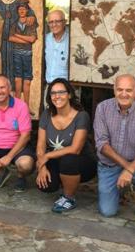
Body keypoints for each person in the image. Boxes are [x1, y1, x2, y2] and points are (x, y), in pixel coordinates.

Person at [94, 74, 135, 237]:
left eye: (129, 90)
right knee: (107, 212)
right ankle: (120, 190)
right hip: (110, 165)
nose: (124, 94)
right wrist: (127, 168)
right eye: (120, 89)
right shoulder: (102, 108)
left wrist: (130, 169)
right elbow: (102, 144)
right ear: (114, 90)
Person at [36, 78, 97, 213]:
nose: (57, 96)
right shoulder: (47, 114)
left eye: (61, 92)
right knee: (46, 186)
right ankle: (66, 181)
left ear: (69, 94)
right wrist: (42, 166)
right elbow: (40, 145)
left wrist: (47, 155)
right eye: (53, 93)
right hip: (57, 161)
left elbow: (76, 149)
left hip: (82, 162)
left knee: (69, 158)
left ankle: (69, 197)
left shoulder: (81, 116)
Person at [8, 0, 37, 110]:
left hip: (27, 54)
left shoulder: (31, 24)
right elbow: (10, 38)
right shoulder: (14, 24)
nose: (21, 11)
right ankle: (17, 105)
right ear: (17, 11)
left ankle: (27, 106)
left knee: (27, 80)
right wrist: (27, 40)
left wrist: (18, 36)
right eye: (19, 9)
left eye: (23, 9)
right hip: (17, 54)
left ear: (27, 10)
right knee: (17, 79)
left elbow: (32, 38)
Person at [44, 10, 69, 84]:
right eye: (51, 22)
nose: (54, 25)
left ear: (64, 22)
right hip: (49, 85)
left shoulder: (71, 41)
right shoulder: (45, 39)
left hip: (67, 86)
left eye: (57, 21)